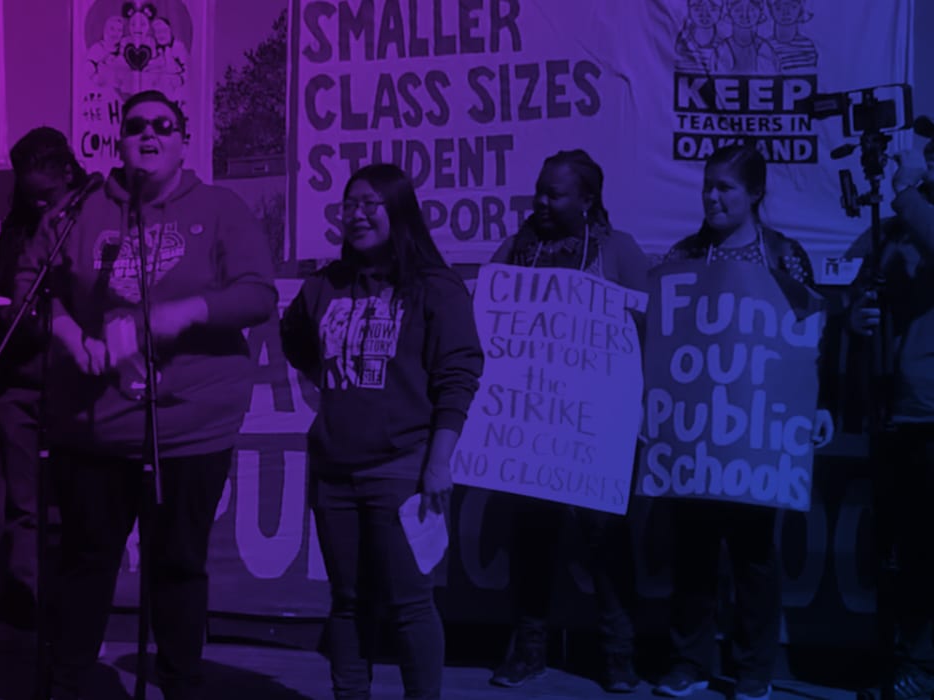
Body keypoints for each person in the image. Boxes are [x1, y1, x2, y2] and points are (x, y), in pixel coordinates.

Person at [12, 90, 276, 700]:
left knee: (178, 566)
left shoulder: (220, 208)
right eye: (136, 126)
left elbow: (258, 294)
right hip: (95, 429)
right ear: (118, 141)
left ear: (184, 140)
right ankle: (71, 684)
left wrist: (186, 311)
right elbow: (29, 282)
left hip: (187, 429)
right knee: (85, 565)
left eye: (164, 125)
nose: (149, 135)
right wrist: (67, 333)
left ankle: (181, 685)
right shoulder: (80, 211)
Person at [280, 163, 485, 700]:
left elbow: (459, 376)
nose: (358, 214)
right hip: (333, 472)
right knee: (347, 601)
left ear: (399, 210)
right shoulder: (324, 286)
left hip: (403, 469)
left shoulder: (435, 288)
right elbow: (297, 344)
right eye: (349, 204)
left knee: (409, 602)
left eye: (371, 203)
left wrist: (438, 462)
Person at [652, 144, 834, 700]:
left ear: (755, 193)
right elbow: (663, 343)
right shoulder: (684, 255)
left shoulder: (785, 257)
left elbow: (810, 340)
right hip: (696, 434)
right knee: (694, 551)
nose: (712, 196)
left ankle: (754, 669)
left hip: (758, 433)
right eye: (708, 185)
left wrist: (819, 404)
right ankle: (689, 661)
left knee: (755, 555)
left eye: (725, 188)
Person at [487, 149, 649, 694]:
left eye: (554, 194)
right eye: (539, 190)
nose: (541, 202)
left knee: (606, 539)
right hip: (534, 420)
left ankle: (619, 653)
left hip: (597, 422)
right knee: (532, 535)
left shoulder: (617, 250)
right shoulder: (516, 249)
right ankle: (529, 649)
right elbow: (491, 319)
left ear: (588, 200)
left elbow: (649, 329)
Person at [0, 127, 87, 655]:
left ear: (68, 174)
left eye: (44, 193)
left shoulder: (93, 218)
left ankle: (76, 615)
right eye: (26, 193)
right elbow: (11, 286)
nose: (35, 203)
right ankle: (24, 609)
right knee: (23, 503)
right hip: (19, 380)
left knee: (78, 504)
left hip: (74, 381)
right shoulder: (18, 224)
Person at [845, 141, 934, 700]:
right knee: (905, 549)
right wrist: (858, 315)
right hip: (898, 409)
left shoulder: (914, 212)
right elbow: (862, 284)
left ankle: (921, 665)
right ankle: (906, 662)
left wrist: (904, 192)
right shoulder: (904, 222)